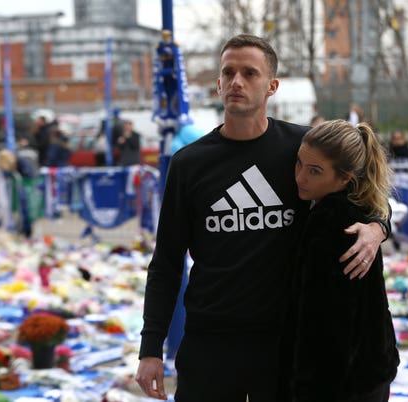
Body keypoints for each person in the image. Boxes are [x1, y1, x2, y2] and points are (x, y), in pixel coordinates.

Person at [135, 34, 390, 402]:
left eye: (250, 73)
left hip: (282, 344)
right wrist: (150, 348)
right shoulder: (189, 164)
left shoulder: (302, 149)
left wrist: (377, 228)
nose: (237, 81)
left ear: (272, 86)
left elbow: (366, 192)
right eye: (229, 72)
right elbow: (166, 262)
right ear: (218, 82)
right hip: (211, 342)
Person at [282, 119, 399, 402]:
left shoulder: (331, 222)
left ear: (344, 178)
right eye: (299, 164)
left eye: (315, 172)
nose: (300, 177)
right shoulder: (359, 210)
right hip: (370, 371)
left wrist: (306, 389)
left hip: (341, 385)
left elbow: (326, 324)